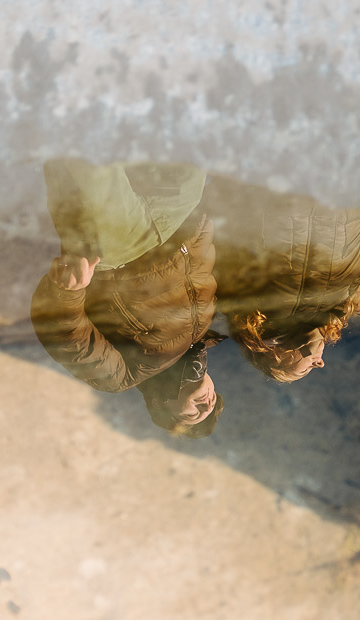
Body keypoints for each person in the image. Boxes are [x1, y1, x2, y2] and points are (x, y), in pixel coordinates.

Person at [31, 158, 222, 434]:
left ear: (159, 404)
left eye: (194, 415)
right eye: (214, 405)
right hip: (179, 214)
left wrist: (67, 293)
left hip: (121, 250)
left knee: (89, 153)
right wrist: (201, 222)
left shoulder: (124, 376)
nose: (207, 405)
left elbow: (70, 341)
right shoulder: (204, 329)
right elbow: (203, 265)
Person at [201, 174, 360, 382]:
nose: (320, 363)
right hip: (345, 176)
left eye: (304, 370)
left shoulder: (253, 303)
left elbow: (233, 232)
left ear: (275, 355)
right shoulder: (343, 300)